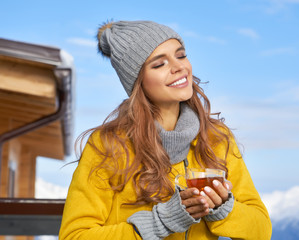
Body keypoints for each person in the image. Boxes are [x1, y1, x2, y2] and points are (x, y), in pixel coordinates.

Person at [59, 20, 272, 240]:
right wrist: (161, 221)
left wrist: (223, 210)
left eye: (180, 55)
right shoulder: (108, 145)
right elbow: (74, 236)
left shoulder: (216, 138)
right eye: (159, 64)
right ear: (138, 82)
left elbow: (261, 230)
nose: (179, 67)